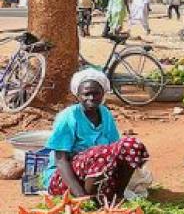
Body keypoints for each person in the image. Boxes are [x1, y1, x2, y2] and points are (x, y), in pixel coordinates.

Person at [44, 69, 149, 202]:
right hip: (65, 180)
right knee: (99, 153)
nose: (91, 98)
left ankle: (117, 195)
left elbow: (116, 150)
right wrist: (81, 197)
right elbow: (60, 160)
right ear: (77, 96)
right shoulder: (68, 117)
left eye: (96, 94)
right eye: (86, 94)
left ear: (103, 94)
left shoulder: (105, 113)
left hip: (97, 174)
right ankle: (90, 200)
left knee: (131, 145)